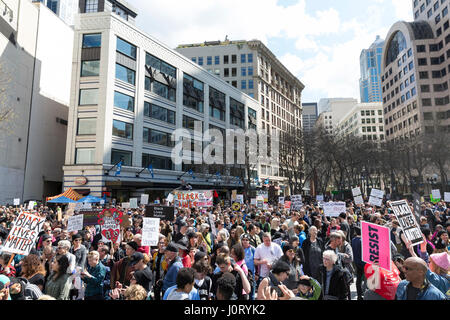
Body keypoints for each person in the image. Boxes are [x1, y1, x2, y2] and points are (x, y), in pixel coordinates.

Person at [351, 226, 365, 300]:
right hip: (363, 263)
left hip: (356, 262)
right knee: (365, 279)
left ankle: (359, 294)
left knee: (358, 279)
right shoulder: (362, 240)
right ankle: (363, 293)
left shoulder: (353, 240)